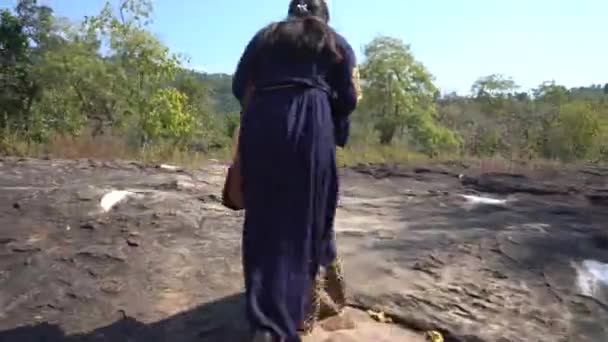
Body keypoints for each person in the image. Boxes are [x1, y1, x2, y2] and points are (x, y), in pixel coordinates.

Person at [232, 0, 360, 341]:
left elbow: (238, 85)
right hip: (312, 124)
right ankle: (296, 316)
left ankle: (263, 322)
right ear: (323, 16)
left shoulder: (266, 36)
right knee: (308, 220)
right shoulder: (335, 42)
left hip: (263, 122)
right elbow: (348, 98)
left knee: (262, 221)